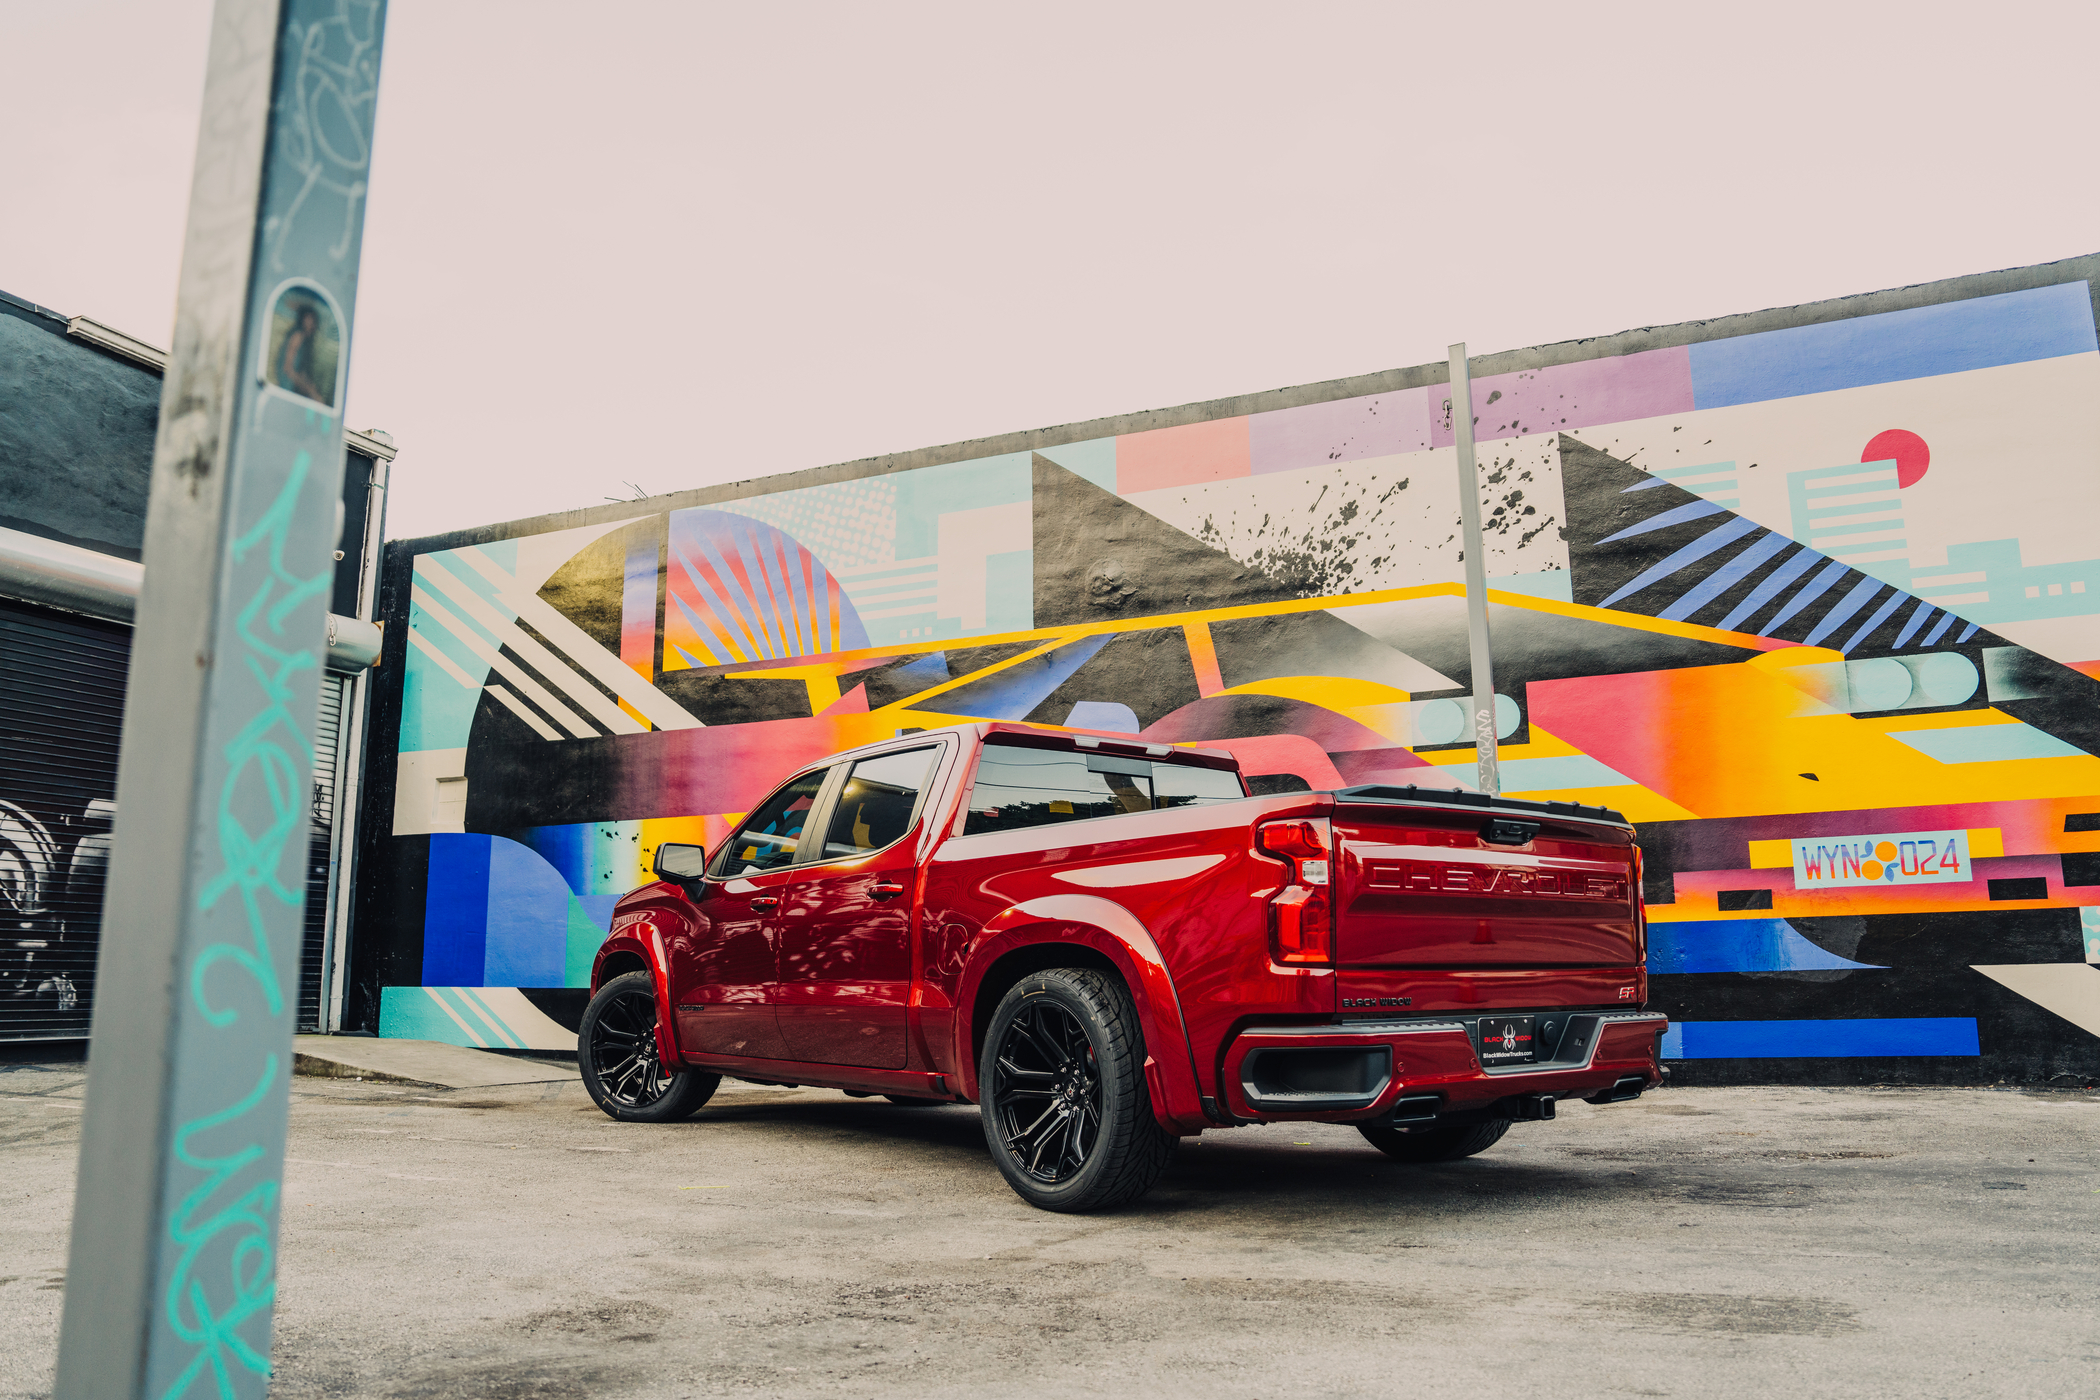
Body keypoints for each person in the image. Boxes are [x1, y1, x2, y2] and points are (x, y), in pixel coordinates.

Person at [276, 300, 329, 402]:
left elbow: (301, 372)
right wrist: (309, 389)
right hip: (286, 384)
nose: (311, 324)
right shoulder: (298, 336)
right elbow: (287, 369)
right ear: (302, 320)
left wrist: (309, 386)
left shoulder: (306, 342)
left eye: (313, 321)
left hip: (293, 383)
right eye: (308, 320)